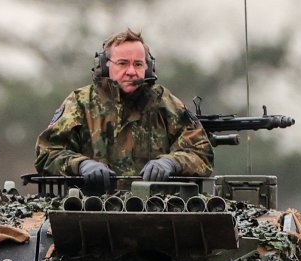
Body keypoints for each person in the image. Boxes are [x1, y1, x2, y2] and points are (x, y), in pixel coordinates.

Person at [35, 29, 213, 190]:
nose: (131, 71)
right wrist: (81, 165)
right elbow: (47, 153)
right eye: (122, 63)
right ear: (105, 65)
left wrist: (171, 162)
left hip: (158, 211)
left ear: (148, 67)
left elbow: (201, 153)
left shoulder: (165, 104)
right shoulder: (81, 103)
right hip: (92, 210)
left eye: (138, 64)